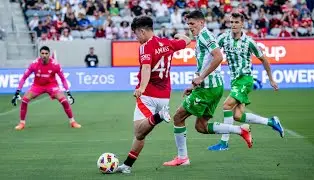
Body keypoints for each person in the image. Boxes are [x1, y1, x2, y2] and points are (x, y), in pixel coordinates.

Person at [162, 10, 253, 167]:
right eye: (188, 24)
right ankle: (241, 131)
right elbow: (205, 63)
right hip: (212, 87)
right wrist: (193, 85)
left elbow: (218, 56)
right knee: (201, 127)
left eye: (193, 23)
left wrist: (201, 78)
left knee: (178, 117)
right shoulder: (201, 37)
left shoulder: (205, 35)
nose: (190, 27)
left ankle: (182, 158)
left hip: (208, 88)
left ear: (202, 22)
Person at [116, 15, 191, 174]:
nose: (136, 38)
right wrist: (179, 36)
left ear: (142, 31)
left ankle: (159, 116)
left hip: (148, 95)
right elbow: (187, 40)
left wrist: (142, 87)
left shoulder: (145, 47)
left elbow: (146, 68)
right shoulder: (167, 43)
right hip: (164, 97)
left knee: (138, 131)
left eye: (136, 34)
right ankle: (127, 166)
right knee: (141, 135)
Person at [208, 12, 284, 151]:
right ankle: (271, 122)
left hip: (245, 79)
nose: (234, 25)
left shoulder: (249, 42)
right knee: (238, 116)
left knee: (226, 106)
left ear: (242, 24)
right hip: (235, 80)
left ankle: (224, 143)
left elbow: (264, 60)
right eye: (231, 22)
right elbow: (212, 51)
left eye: (236, 22)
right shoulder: (224, 38)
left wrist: (271, 79)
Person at [11, 46, 81, 130]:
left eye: (46, 53)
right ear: (40, 54)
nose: (44, 55)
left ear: (49, 55)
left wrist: (68, 93)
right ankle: (22, 123)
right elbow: (24, 77)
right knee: (24, 100)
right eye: (42, 53)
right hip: (37, 86)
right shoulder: (34, 64)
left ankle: (72, 122)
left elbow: (63, 79)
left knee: (64, 101)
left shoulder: (55, 65)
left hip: (51, 85)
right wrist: (17, 91)